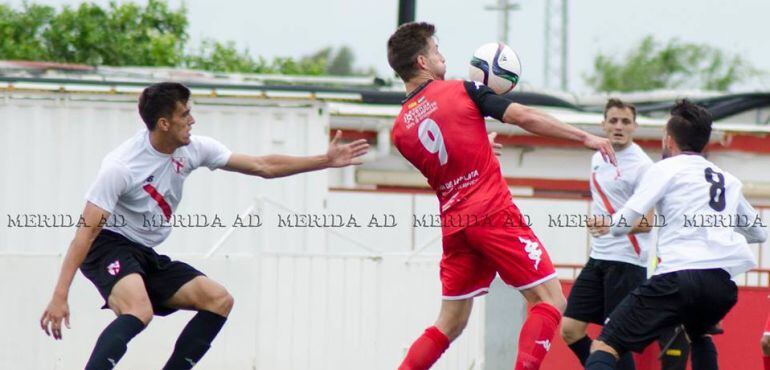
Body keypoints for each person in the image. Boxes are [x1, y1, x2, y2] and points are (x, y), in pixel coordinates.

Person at [38, 82, 369, 370]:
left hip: (144, 252)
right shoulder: (120, 166)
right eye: (185, 114)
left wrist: (324, 160)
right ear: (164, 123)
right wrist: (59, 295)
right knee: (139, 310)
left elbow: (262, 165)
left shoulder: (194, 149)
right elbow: (87, 230)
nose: (192, 120)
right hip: (108, 245)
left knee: (218, 299)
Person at [386, 22, 616, 370]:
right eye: (435, 50)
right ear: (421, 61)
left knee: (450, 322)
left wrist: (480, 147)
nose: (442, 55)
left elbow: (445, 161)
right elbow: (522, 116)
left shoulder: (399, 129)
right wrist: (584, 137)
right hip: (492, 213)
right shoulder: (463, 90)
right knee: (550, 300)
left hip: (456, 223)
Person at [584, 100, 767, 370]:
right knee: (699, 334)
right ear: (704, 142)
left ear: (669, 140)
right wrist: (717, 227)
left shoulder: (665, 169)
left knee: (605, 344)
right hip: (720, 285)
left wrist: (609, 225)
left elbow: (627, 220)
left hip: (678, 278)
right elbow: (759, 232)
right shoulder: (727, 179)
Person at [561, 98, 654, 370]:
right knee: (570, 329)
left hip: (627, 262)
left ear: (635, 126)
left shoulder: (643, 166)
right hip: (599, 256)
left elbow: (648, 222)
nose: (619, 126)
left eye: (625, 121)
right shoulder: (597, 157)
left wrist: (610, 224)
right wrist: (599, 224)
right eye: (613, 120)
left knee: (614, 340)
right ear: (603, 124)